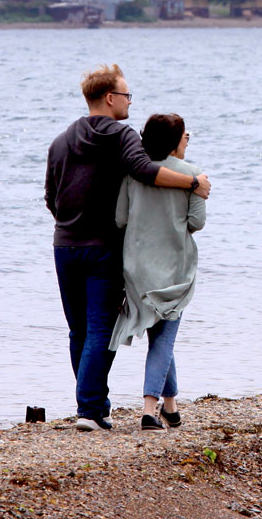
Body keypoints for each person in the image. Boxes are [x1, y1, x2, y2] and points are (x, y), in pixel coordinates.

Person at [44, 65, 210, 431]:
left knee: (78, 331)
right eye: (127, 95)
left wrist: (70, 223)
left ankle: (91, 404)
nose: (129, 101)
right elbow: (145, 170)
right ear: (109, 98)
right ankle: (90, 411)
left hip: (65, 244)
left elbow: (51, 198)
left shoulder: (60, 141)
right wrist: (193, 182)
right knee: (100, 329)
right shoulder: (122, 136)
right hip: (103, 247)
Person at [111, 112, 206, 431]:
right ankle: (149, 410)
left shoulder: (132, 174)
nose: (187, 140)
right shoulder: (193, 175)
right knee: (164, 339)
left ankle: (170, 407)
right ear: (175, 141)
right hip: (174, 268)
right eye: (185, 136)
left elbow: (121, 219)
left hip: (136, 267)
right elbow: (196, 223)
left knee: (160, 334)